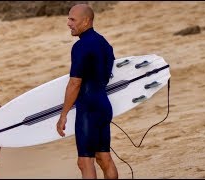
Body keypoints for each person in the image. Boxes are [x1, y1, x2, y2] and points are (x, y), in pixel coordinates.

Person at [56, 4, 118, 179]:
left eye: (72, 19)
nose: (68, 23)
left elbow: (75, 83)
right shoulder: (104, 43)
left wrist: (63, 115)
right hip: (103, 105)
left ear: (86, 21)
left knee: (85, 162)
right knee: (103, 157)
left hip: (88, 109)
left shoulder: (81, 46)